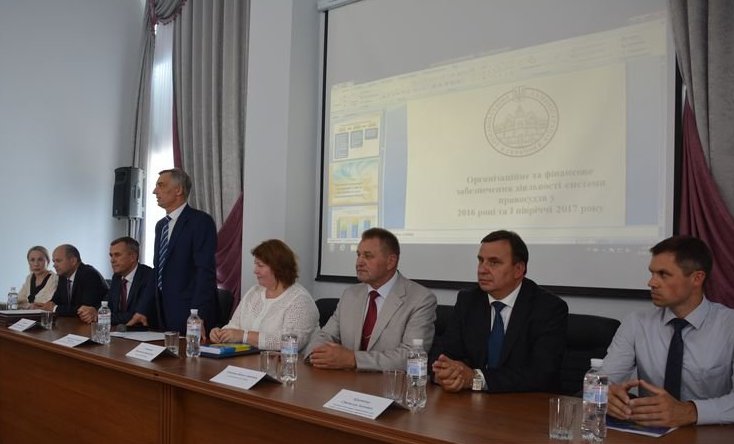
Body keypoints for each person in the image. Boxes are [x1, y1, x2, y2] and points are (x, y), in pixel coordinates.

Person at [602, 235, 734, 426]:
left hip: (711, 432)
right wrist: (606, 395)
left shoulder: (729, 326)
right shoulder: (637, 322)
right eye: (652, 273)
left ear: (697, 278)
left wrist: (690, 411)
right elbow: (603, 379)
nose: (651, 283)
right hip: (649, 432)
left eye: (663, 274)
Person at [430, 230, 568, 393]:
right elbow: (445, 354)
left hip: (526, 403)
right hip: (472, 402)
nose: (482, 269)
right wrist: (446, 373)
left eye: (494, 263)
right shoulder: (468, 301)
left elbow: (542, 374)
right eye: (481, 261)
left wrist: (476, 378)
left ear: (518, 269)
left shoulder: (548, 308)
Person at [304, 228, 437, 371]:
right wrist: (316, 354)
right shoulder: (350, 294)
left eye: (368, 256)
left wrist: (353, 359)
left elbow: (411, 356)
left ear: (391, 261)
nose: (359, 262)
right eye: (358, 255)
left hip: (388, 383)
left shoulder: (420, 299)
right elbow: (325, 335)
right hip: (344, 380)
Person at [209, 239, 319, 351]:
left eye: (260, 265)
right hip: (249, 359)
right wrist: (220, 333)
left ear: (278, 268)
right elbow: (235, 326)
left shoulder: (300, 300)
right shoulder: (254, 292)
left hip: (288, 362)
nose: (255, 270)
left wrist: (244, 336)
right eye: (255, 264)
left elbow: (291, 342)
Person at [153, 168, 217, 335]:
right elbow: (158, 270)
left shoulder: (200, 222)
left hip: (189, 313)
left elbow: (205, 272)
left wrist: (197, 315)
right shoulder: (161, 226)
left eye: (161, 185)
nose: (155, 191)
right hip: (161, 312)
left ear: (178, 190)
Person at [76, 237, 156, 327]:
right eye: (111, 255)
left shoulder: (148, 277)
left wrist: (100, 316)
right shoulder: (117, 277)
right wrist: (93, 310)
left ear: (133, 257)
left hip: (147, 331)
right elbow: (108, 304)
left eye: (117, 255)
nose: (112, 260)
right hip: (121, 331)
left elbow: (135, 315)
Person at [34, 244, 108, 319]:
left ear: (73, 261)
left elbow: (84, 310)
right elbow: (56, 301)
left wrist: (55, 308)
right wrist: (43, 306)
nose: (54, 265)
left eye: (58, 261)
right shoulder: (63, 276)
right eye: (54, 261)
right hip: (72, 322)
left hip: (97, 323)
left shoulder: (89, 274)